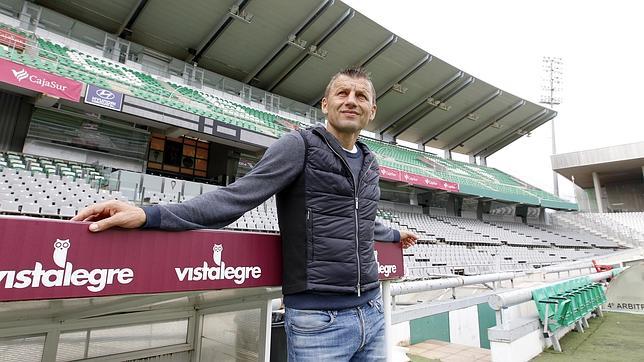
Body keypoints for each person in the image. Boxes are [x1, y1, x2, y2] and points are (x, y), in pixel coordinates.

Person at [73, 66, 417, 361]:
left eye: (361, 95)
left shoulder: (371, 163)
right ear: (326, 104)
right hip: (319, 320)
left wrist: (393, 234)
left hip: (371, 312)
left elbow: (360, 220)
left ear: (372, 109)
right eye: (342, 92)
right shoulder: (299, 146)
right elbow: (235, 199)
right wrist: (150, 215)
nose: (351, 100)